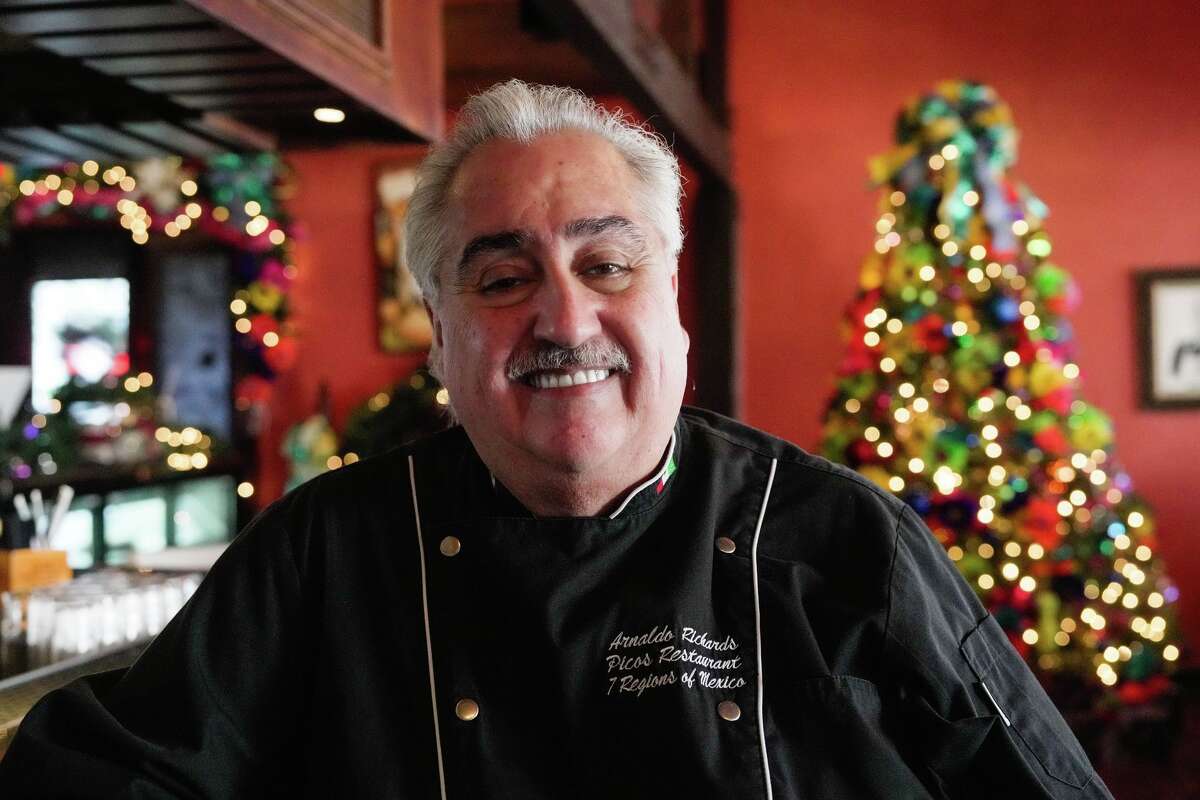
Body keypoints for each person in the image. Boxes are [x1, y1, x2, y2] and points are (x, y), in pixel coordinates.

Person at [0, 80, 1113, 799]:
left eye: (607, 264)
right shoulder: (327, 551)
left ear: (673, 306)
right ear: (440, 334)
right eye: (502, 277)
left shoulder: (839, 537)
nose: (565, 319)